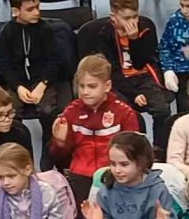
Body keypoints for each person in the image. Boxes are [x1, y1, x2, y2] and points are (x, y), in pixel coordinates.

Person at [0, 0, 74, 127]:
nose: (36, 12)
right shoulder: (6, 33)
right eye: (30, 9)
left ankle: (48, 140)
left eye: (37, 7)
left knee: (48, 111)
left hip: (42, 81)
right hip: (17, 82)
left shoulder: (46, 30)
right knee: (10, 112)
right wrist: (18, 87)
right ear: (15, 11)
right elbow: (4, 65)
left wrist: (42, 85)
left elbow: (53, 62)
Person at [50, 55, 138, 191]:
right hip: (79, 176)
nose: (85, 92)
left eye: (92, 86)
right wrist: (60, 143)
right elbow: (58, 159)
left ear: (107, 86)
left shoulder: (124, 112)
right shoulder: (71, 112)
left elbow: (135, 152)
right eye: (81, 86)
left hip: (114, 175)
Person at [97, 0, 171, 126]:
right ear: (113, 17)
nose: (132, 22)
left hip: (143, 76)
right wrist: (134, 94)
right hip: (119, 81)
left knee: (162, 110)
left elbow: (140, 63)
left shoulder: (146, 28)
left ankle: (160, 141)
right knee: (125, 114)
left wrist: (134, 40)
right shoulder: (105, 34)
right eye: (126, 18)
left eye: (135, 16)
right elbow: (113, 72)